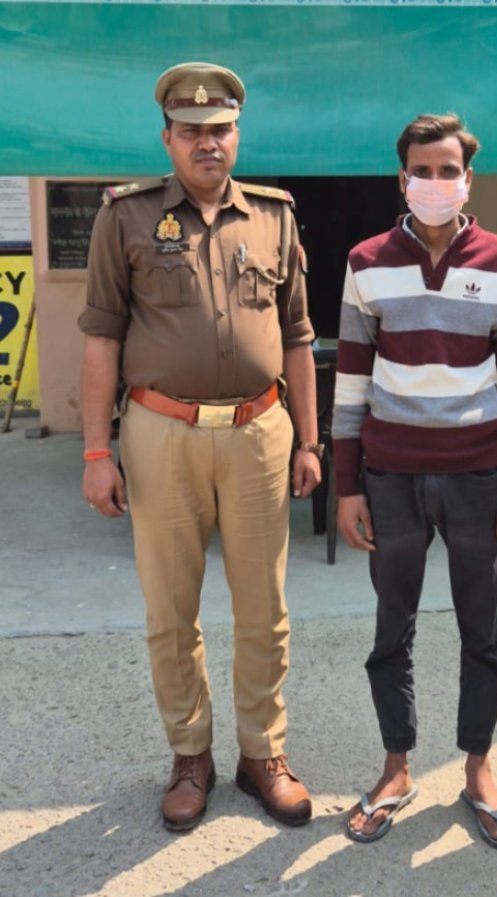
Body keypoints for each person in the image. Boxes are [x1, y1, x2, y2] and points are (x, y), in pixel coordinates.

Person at [79, 61, 322, 832]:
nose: (207, 142)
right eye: (191, 130)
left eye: (219, 129)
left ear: (237, 135)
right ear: (168, 138)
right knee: (170, 608)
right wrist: (96, 452)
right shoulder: (126, 218)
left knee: (265, 608)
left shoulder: (275, 217)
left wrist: (310, 441)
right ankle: (190, 754)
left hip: (259, 432)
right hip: (161, 433)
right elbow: (101, 338)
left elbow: (297, 336)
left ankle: (263, 752)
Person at [333, 113, 497, 848]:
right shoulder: (366, 262)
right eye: (422, 170)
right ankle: (396, 766)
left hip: (478, 477)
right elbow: (350, 383)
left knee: (482, 629)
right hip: (391, 476)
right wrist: (347, 486)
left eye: (449, 170)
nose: (435, 182)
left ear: (468, 180)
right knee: (393, 628)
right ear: (402, 179)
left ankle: (478, 766)